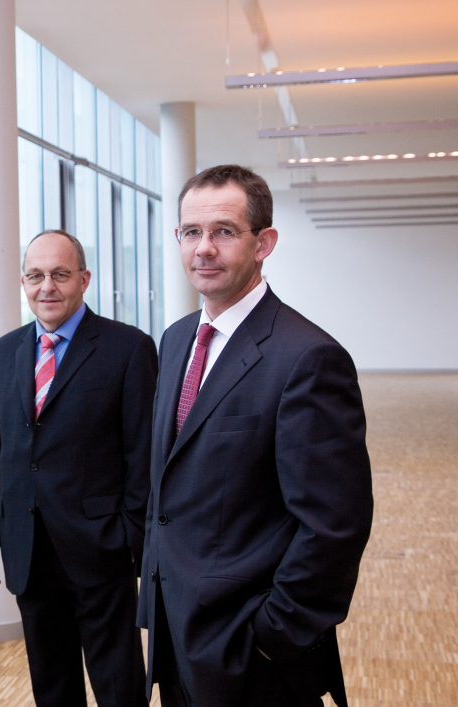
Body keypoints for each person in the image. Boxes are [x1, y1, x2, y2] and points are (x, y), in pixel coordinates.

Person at [138, 165, 373, 707]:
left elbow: (335, 525)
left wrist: (273, 635)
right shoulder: (176, 340)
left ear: (263, 243)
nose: (204, 248)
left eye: (223, 231)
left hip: (250, 651)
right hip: (175, 630)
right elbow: (168, 484)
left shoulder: (308, 358)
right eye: (191, 232)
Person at [0, 230, 158, 707]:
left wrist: (131, 540)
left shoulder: (128, 348)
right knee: (52, 686)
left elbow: (143, 457)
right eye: (35, 276)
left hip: (101, 549)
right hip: (28, 550)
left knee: (119, 686)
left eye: (60, 274)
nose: (46, 286)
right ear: (23, 282)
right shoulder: (2, 353)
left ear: (84, 279)